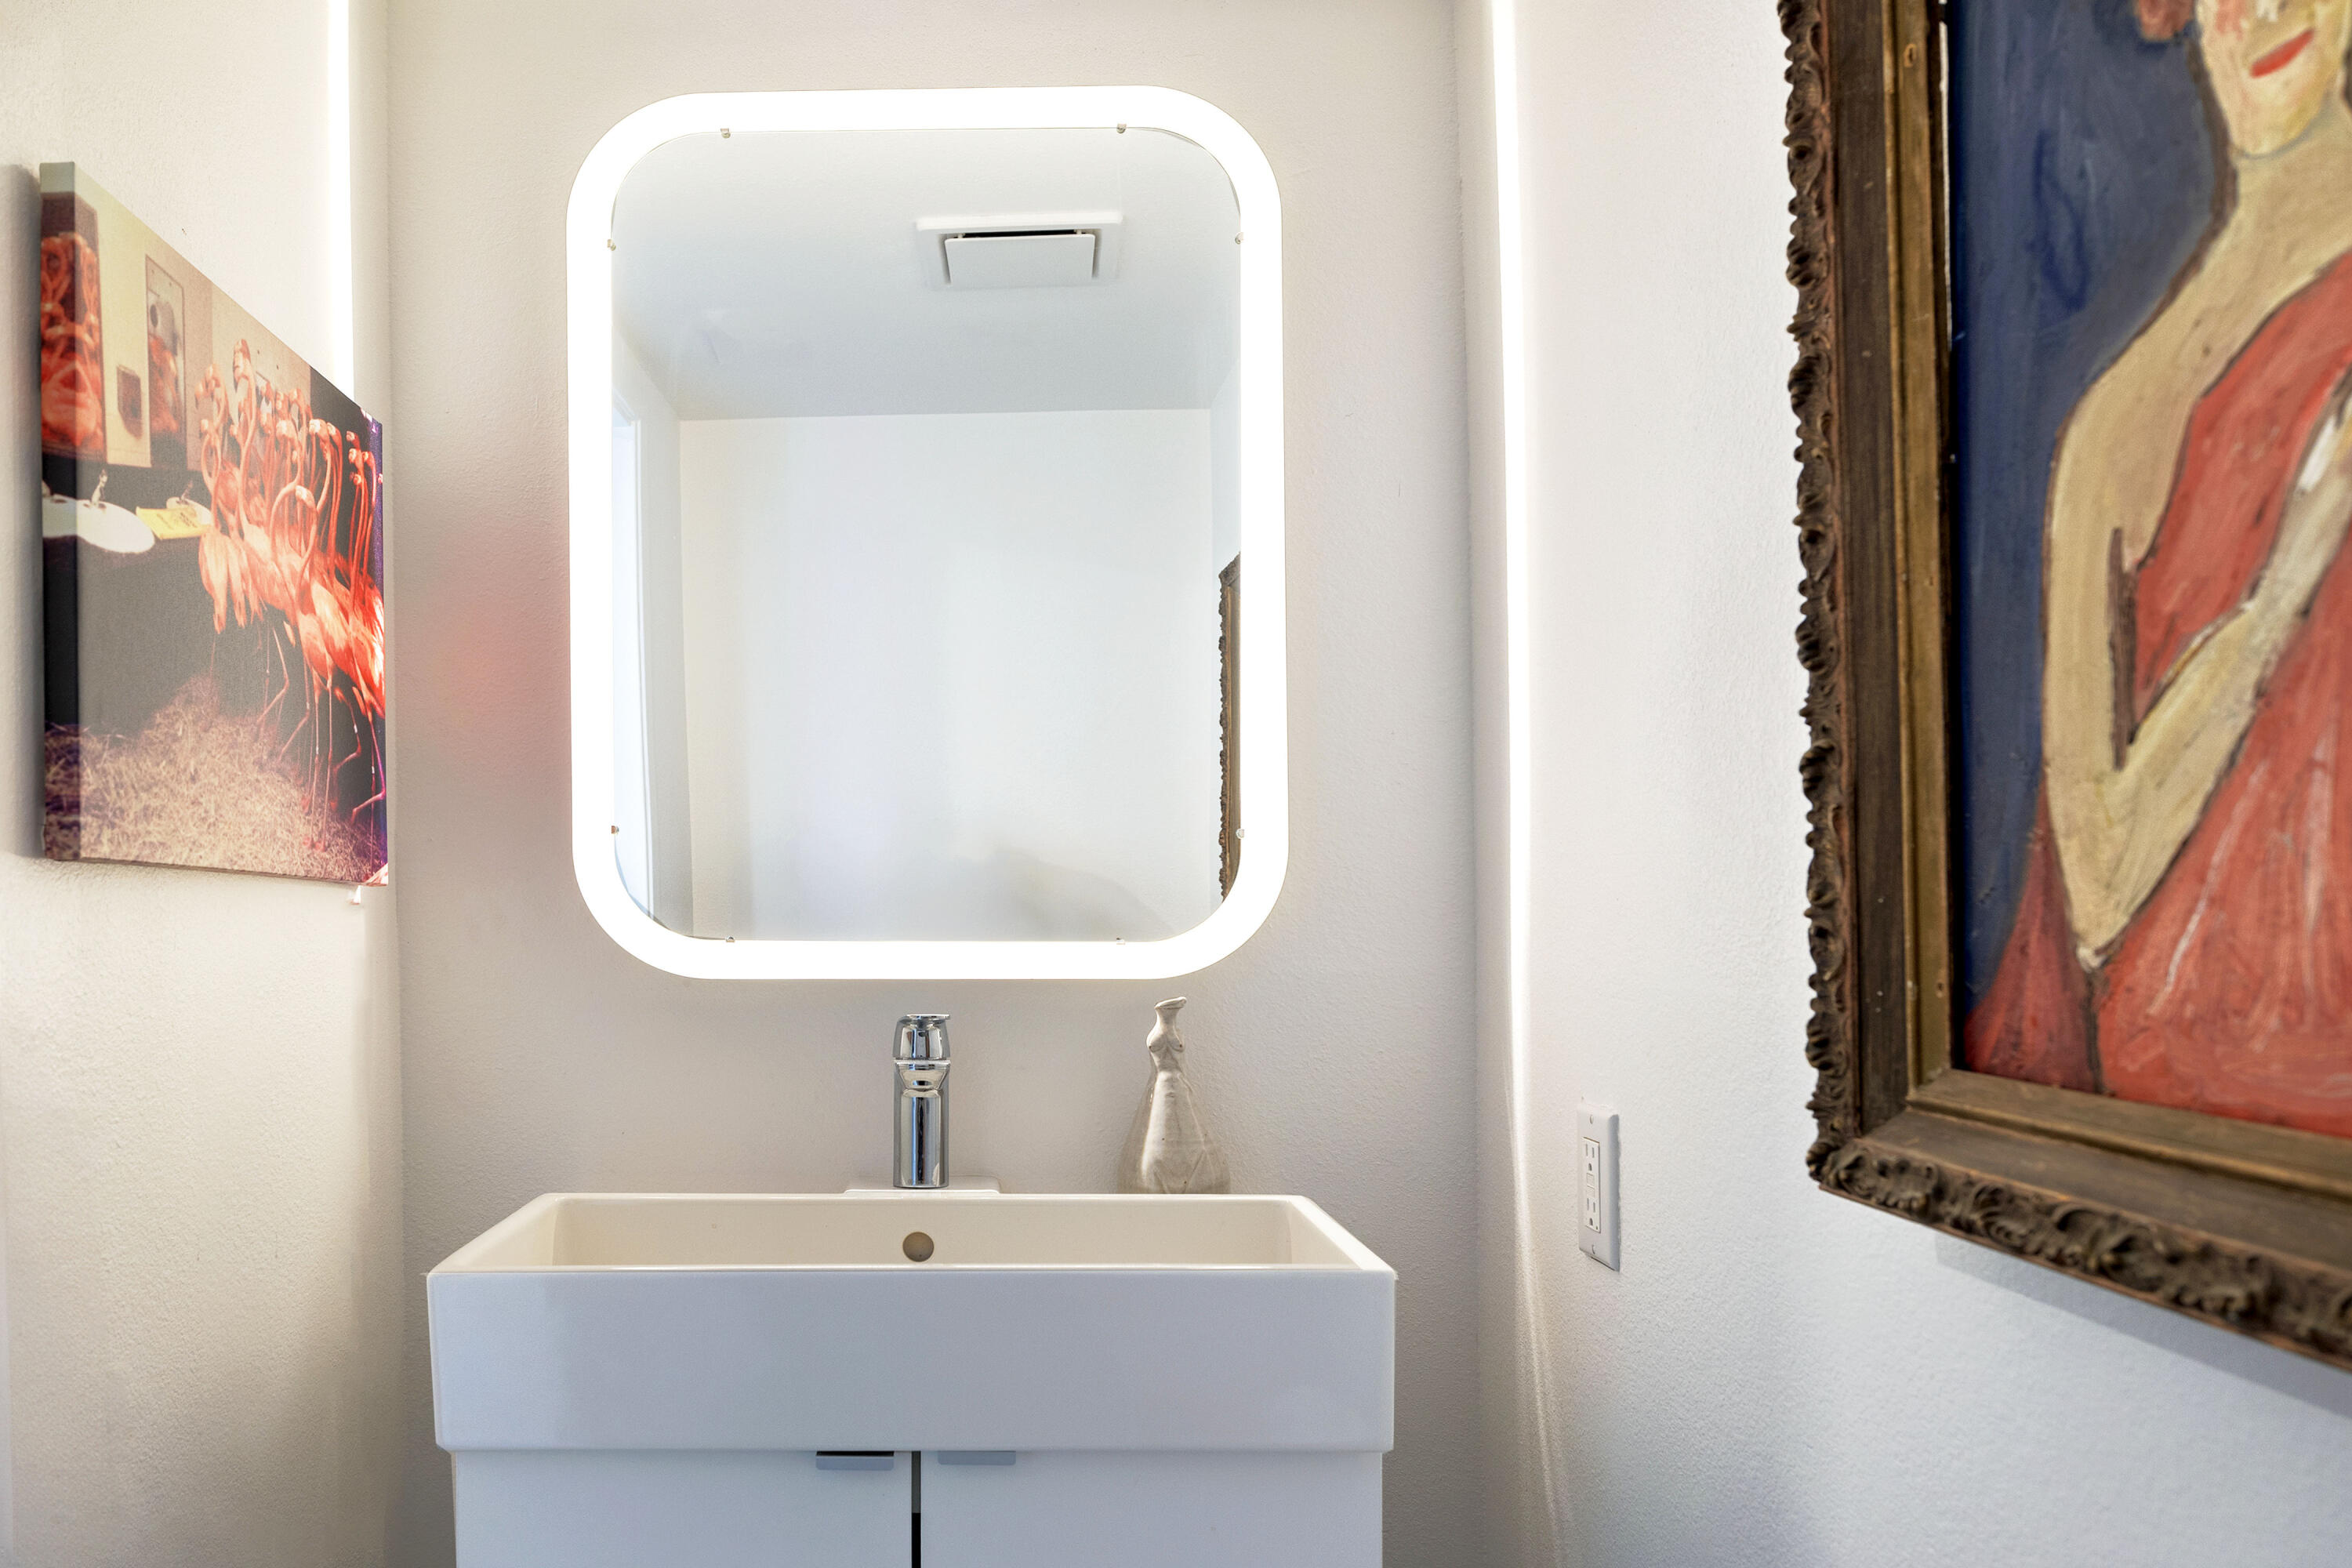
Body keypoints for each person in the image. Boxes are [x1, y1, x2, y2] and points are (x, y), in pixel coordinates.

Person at [1966, 0, 2352, 1137]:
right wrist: (2293, 563)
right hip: (2203, 1079)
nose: (2266, 11)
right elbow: (2094, 886)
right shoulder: (2120, 424)